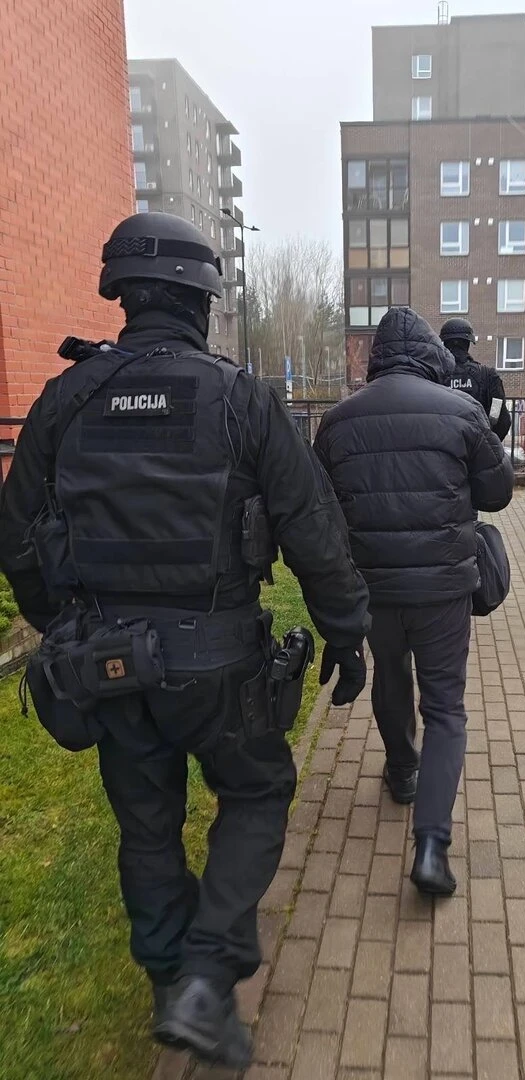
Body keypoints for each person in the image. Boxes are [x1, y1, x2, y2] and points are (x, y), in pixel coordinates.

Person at [0, 212, 370, 1069]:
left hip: (110, 667)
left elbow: (15, 536)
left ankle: (171, 982)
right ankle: (205, 980)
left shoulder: (66, 399)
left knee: (146, 827)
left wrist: (64, 629)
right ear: (201, 302)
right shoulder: (240, 397)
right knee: (258, 791)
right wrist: (347, 631)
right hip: (220, 669)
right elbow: (312, 529)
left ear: (124, 297)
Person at [314, 306, 513, 896]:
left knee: (391, 673)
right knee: (446, 707)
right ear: (431, 356)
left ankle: (402, 769)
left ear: (375, 358)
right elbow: (498, 492)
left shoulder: (337, 421)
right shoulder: (461, 412)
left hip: (373, 587)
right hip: (443, 589)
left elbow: (319, 508)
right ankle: (431, 848)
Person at [440, 317, 512, 441]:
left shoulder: (433, 374)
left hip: (442, 447)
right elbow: (499, 416)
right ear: (468, 343)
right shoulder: (488, 376)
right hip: (477, 447)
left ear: (444, 343)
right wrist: (488, 441)